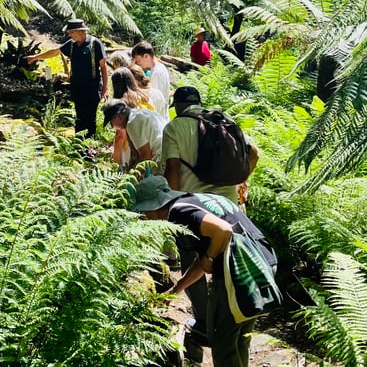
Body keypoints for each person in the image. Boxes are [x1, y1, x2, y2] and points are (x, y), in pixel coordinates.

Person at [161, 85, 259, 363]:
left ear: (177, 106)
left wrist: (172, 202)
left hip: (195, 207)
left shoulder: (175, 127)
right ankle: (227, 319)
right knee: (226, 266)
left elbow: (172, 169)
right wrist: (241, 179)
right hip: (229, 207)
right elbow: (254, 153)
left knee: (196, 258)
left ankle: (205, 321)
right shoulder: (221, 121)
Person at [132, 176, 262, 367]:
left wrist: (209, 258)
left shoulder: (179, 211)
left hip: (238, 274)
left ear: (155, 206)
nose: (145, 218)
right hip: (261, 264)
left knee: (222, 341)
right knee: (240, 339)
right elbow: (202, 261)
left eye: (145, 212)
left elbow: (223, 232)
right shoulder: (198, 201)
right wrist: (175, 291)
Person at [24, 18, 108, 138]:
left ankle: (90, 148)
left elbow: (103, 68)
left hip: (92, 88)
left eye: (71, 32)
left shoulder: (95, 44)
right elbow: (55, 52)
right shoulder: (71, 45)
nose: (69, 35)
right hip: (77, 87)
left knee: (90, 118)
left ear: (79, 31)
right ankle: (79, 144)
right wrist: (36, 57)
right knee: (79, 116)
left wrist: (105, 88)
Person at [102, 99, 165, 174]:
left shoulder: (132, 123)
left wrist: (128, 175)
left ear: (119, 116)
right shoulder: (139, 114)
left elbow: (146, 157)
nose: (112, 126)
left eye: (111, 123)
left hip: (161, 159)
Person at [110, 67, 155, 168]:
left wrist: (115, 161)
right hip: (149, 141)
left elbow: (121, 135)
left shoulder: (122, 102)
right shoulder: (143, 96)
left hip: (131, 145)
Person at [131, 41, 170, 110]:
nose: (138, 64)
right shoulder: (161, 67)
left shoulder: (156, 73)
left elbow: (154, 100)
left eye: (138, 60)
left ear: (146, 56)